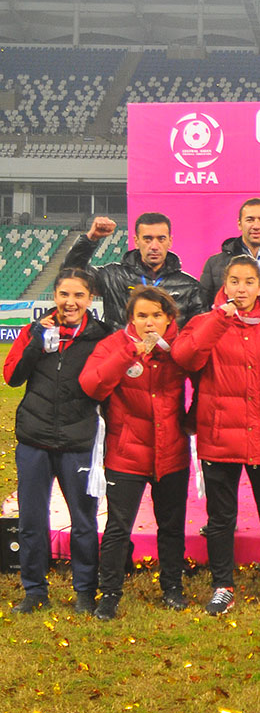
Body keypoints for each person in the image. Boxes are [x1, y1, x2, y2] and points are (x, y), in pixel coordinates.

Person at [174, 255, 260, 615]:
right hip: (219, 435)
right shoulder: (204, 322)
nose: (241, 288)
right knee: (220, 518)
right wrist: (219, 320)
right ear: (224, 285)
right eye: (234, 281)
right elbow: (186, 358)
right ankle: (222, 586)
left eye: (249, 281)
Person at [79, 286, 190, 620]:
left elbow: (208, 375)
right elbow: (92, 385)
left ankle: (172, 588)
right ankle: (109, 593)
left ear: (169, 319)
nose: (149, 322)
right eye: (142, 316)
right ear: (131, 319)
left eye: (157, 315)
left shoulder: (179, 349)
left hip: (171, 452)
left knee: (171, 525)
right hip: (126, 454)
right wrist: (130, 353)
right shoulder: (114, 346)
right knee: (118, 526)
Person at [3, 268, 110, 614]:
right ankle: (34, 591)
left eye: (79, 295)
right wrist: (36, 341)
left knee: (84, 521)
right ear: (55, 296)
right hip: (34, 439)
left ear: (90, 299)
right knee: (32, 520)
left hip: (78, 441)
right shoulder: (35, 330)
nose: (71, 302)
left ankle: (84, 592)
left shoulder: (101, 337)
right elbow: (12, 377)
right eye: (64, 294)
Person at [63, 213, 205, 328]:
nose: (154, 246)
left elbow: (197, 335)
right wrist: (90, 240)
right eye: (147, 239)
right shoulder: (114, 276)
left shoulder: (189, 286)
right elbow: (71, 275)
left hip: (166, 362)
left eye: (161, 239)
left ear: (170, 241)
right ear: (136, 241)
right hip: (122, 360)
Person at [199, 197, 260, 318]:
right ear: (239, 224)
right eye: (250, 220)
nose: (256, 226)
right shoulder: (214, 263)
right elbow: (203, 307)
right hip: (230, 333)